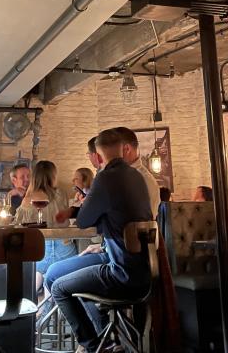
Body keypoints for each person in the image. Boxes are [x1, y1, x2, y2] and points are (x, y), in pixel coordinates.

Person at [46, 129, 153, 353]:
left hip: (121, 272)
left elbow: (85, 221)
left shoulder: (105, 177)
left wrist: (78, 212)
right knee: (68, 276)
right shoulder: (137, 176)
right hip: (143, 270)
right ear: (122, 149)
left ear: (99, 155)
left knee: (57, 287)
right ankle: (107, 337)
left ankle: (95, 347)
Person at [14, 160, 77, 291]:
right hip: (64, 247)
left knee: (35, 285)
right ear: (53, 176)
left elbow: (17, 224)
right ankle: (52, 308)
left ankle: (37, 307)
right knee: (57, 288)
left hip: (39, 249)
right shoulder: (61, 194)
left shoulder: (28, 198)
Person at [115, 126, 160, 218]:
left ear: (127, 149)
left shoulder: (142, 179)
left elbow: (141, 222)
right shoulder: (125, 175)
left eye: (112, 150)